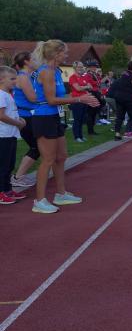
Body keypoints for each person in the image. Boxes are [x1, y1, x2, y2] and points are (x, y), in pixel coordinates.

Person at [30, 40, 99, 214]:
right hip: (44, 118)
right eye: (64, 52)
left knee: (61, 156)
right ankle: (39, 200)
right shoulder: (46, 72)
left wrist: (84, 98)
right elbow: (51, 100)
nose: (66, 55)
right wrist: (79, 99)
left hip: (54, 117)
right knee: (48, 159)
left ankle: (60, 194)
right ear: (56, 53)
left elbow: (62, 95)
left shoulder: (56, 71)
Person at [10, 52, 40, 188]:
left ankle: (18, 176)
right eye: (34, 59)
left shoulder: (27, 76)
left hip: (28, 115)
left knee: (38, 146)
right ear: (27, 62)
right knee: (37, 146)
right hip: (25, 116)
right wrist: (51, 97)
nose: (36, 61)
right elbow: (33, 98)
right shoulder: (23, 77)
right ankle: (17, 177)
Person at [0, 66, 28, 204]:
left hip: (10, 135)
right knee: (3, 165)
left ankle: (7, 189)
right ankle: (1, 192)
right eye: (12, 79)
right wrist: (17, 123)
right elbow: (1, 116)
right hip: (3, 136)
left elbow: (11, 113)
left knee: (9, 165)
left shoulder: (8, 94)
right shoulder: (1, 95)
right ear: (1, 79)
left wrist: (20, 119)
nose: (15, 81)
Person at [68, 61, 93, 143]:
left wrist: (84, 87)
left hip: (84, 100)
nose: (81, 68)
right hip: (77, 100)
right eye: (79, 67)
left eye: (82, 67)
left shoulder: (83, 77)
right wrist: (86, 87)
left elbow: (91, 87)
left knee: (82, 119)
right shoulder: (72, 77)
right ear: (75, 68)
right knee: (77, 119)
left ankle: (80, 136)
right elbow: (78, 88)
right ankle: (76, 137)